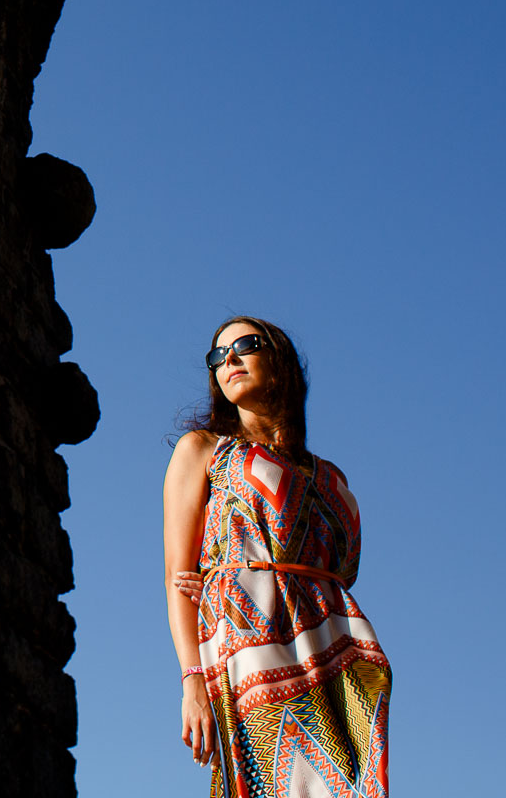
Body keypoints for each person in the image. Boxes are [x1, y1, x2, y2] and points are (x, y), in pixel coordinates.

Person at [162, 316, 391, 796]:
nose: (229, 359)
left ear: (280, 359)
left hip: (335, 646)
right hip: (250, 645)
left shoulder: (331, 476)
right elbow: (177, 576)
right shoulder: (203, 450)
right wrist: (192, 682)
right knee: (273, 779)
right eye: (217, 355)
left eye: (246, 345)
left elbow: (345, 570)